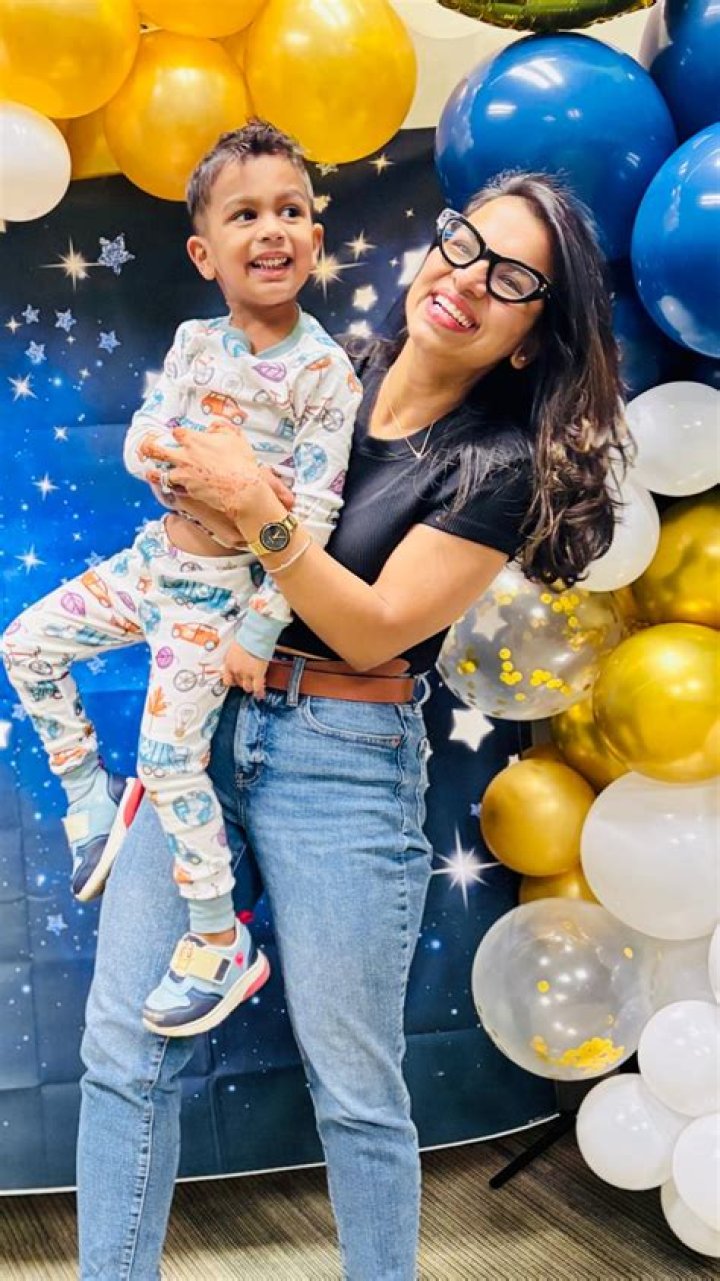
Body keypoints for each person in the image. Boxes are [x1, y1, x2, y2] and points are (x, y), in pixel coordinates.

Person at [77, 172, 626, 1280]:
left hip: (342, 756)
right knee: (120, 1052)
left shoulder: (497, 466)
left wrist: (255, 504)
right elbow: (193, 495)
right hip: (205, 727)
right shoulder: (324, 369)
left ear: (532, 335)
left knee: (356, 1090)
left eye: (513, 279)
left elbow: (371, 630)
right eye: (465, 245)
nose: (470, 280)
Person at [1, 120, 361, 1038]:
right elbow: (142, 436)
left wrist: (259, 628)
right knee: (25, 645)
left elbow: (314, 514)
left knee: (169, 760)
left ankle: (217, 936)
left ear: (316, 237)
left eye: (290, 211)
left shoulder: (324, 373)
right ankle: (90, 794)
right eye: (246, 215)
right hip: (151, 564)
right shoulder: (197, 341)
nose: (272, 229)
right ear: (205, 253)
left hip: (221, 600)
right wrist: (177, 469)